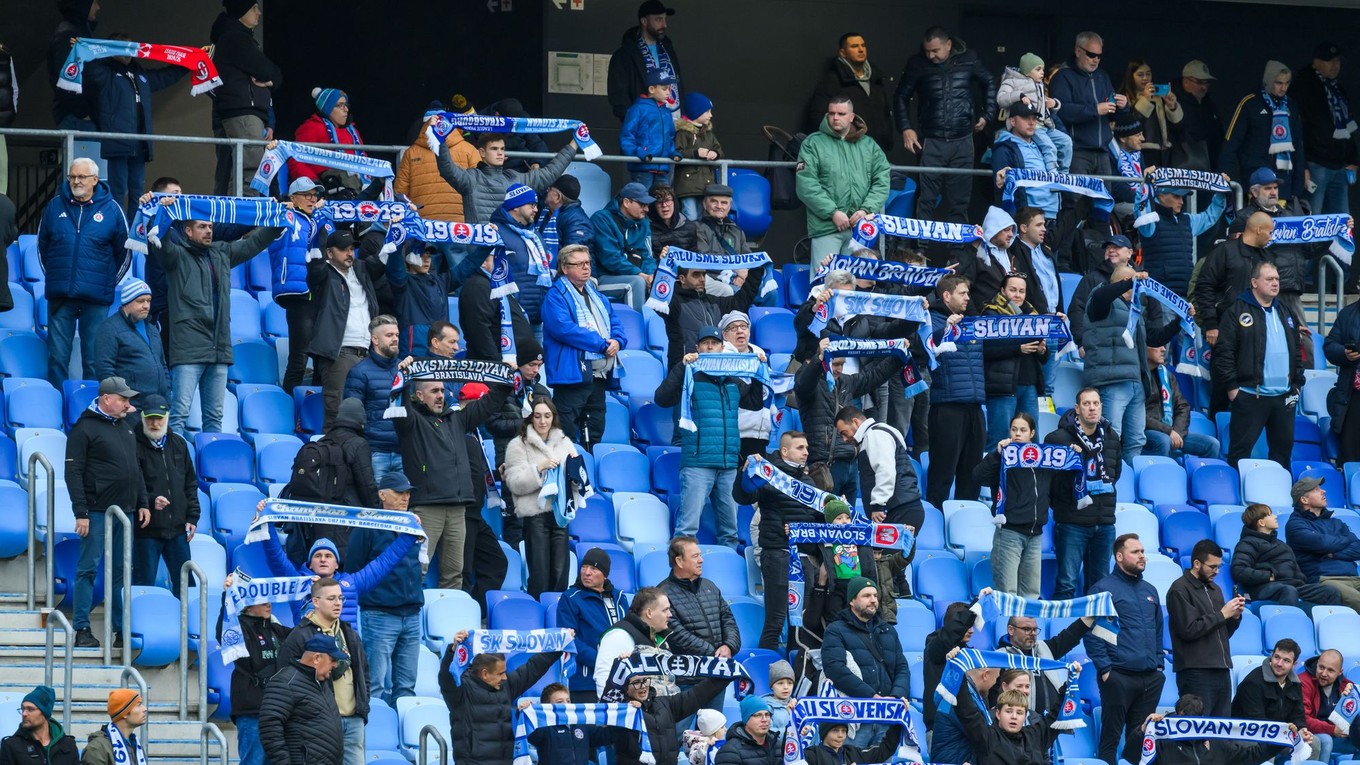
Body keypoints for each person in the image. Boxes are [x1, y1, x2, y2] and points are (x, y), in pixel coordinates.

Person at [152, 202, 284, 435]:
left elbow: (255, 243)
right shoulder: (175, 256)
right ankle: (172, 468)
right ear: (188, 231)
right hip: (188, 349)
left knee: (215, 417)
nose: (209, 231)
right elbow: (158, 240)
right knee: (179, 414)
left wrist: (279, 219)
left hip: (219, 347)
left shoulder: (221, 252)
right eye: (202, 227)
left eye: (210, 226)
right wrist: (158, 211)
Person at [394, 376, 510, 590]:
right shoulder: (411, 422)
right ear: (419, 396)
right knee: (417, 569)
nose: (440, 395)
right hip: (427, 508)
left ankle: (451, 621)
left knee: (455, 575)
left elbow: (489, 403)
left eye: (442, 390)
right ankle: (411, 618)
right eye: (434, 391)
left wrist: (505, 379)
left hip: (458, 509)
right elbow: (397, 403)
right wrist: (402, 376)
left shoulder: (456, 420)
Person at [68, 377, 146, 648]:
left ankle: (120, 631)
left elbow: (136, 469)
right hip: (96, 511)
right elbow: (73, 472)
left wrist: (143, 502)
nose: (128, 404)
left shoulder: (125, 427)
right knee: (88, 569)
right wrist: (81, 511)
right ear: (106, 399)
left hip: (125, 512)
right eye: (123, 399)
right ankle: (82, 629)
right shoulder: (84, 428)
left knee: (121, 574)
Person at [38, 158, 130, 386]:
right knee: (57, 358)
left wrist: (108, 283)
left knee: (93, 359)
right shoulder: (54, 206)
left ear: (95, 180)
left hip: (96, 297)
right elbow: (42, 248)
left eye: (81, 177)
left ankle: (91, 412)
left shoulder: (112, 209)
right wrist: (55, 278)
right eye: (72, 176)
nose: (75, 181)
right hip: (61, 295)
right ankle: (58, 408)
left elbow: (124, 253)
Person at [893, 27, 995, 225]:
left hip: (963, 138)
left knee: (960, 201)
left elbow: (989, 82)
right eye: (927, 51)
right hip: (931, 139)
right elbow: (901, 96)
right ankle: (920, 251)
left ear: (948, 45)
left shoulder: (969, 58)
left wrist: (987, 115)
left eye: (935, 50)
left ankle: (956, 254)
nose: (931, 56)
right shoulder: (917, 63)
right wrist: (906, 128)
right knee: (926, 199)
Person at [1085, 268, 1186, 464]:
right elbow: (1101, 298)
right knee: (1110, 437)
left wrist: (1179, 322)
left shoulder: (1135, 308)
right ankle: (1107, 484)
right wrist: (1128, 282)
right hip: (1111, 381)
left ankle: (1130, 486)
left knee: (1136, 440)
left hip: (1135, 382)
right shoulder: (1099, 298)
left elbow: (1155, 338)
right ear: (1125, 281)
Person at [655, 328, 743, 547]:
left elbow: (755, 402)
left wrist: (759, 369)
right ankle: (676, 579)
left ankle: (727, 579)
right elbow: (662, 398)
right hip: (698, 463)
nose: (710, 347)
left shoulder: (733, 378)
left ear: (723, 348)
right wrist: (681, 367)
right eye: (705, 343)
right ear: (697, 348)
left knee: (730, 533)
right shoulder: (689, 374)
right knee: (686, 530)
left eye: (715, 343)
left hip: (728, 464)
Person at [1212, 261, 1305, 466]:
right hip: (1250, 394)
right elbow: (1223, 352)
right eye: (1269, 279)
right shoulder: (1236, 310)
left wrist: (1296, 384)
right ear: (1254, 282)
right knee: (1240, 453)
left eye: (1277, 279)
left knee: (1282, 455)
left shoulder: (1286, 311)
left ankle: (1279, 496)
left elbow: (1297, 350)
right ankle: (1236, 496)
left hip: (1284, 397)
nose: (1275, 283)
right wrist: (1232, 387)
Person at [733, 431, 820, 648]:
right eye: (800, 448)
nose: (806, 452)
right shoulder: (767, 476)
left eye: (807, 448)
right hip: (778, 555)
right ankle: (768, 673)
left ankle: (793, 673)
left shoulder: (809, 481)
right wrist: (744, 473)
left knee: (800, 624)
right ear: (784, 451)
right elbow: (743, 496)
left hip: (805, 559)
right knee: (776, 620)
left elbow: (818, 519)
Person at [81, 33, 186, 213]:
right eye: (121, 47)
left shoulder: (140, 75)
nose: (127, 51)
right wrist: (82, 48)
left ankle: (135, 233)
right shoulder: (106, 72)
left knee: (138, 192)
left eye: (130, 47)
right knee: (118, 191)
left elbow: (166, 76)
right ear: (111, 49)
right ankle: (118, 232)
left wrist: (189, 63)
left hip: (140, 143)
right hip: (118, 142)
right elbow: (88, 66)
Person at [834, 406, 921, 617]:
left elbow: (885, 470)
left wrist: (877, 504)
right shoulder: (883, 431)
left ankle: (885, 616)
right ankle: (900, 595)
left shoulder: (875, 435)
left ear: (855, 422)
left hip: (898, 508)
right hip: (904, 506)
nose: (844, 439)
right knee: (887, 566)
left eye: (844, 432)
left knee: (881, 567)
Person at [1085, 534, 1165, 765]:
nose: (1142, 556)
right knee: (1110, 738)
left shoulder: (1150, 589)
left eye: (1142, 551)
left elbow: (1158, 629)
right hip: (1118, 676)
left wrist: (1158, 662)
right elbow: (1091, 632)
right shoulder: (1102, 590)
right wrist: (1105, 668)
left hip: (1149, 677)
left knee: (1139, 738)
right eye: (1135, 552)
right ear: (1119, 557)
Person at [345, 473, 422, 705]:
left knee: (407, 687)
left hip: (412, 614)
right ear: (382, 495)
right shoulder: (367, 525)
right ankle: (374, 737)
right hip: (379, 614)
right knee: (374, 685)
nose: (405, 497)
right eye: (399, 492)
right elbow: (354, 568)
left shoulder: (413, 524)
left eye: (407, 493)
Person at [439, 629, 568, 765]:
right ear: (485, 674)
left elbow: (534, 667)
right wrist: (452, 651)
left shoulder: (506, 685)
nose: (505, 677)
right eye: (501, 673)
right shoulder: (461, 691)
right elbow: (446, 678)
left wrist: (561, 643)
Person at [276, 577, 368, 765]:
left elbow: (364, 673)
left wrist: (362, 708)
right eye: (332, 598)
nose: (338, 603)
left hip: (353, 720)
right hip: (317, 723)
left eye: (341, 598)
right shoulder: (300, 636)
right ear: (316, 602)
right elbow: (285, 681)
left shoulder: (349, 633)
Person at [542, 244, 625, 449]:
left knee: (596, 426)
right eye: (578, 264)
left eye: (587, 263)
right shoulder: (555, 296)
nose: (585, 268)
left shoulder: (598, 296)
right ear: (564, 267)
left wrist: (617, 341)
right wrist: (600, 344)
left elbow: (616, 323)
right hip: (572, 374)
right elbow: (563, 329)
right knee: (565, 432)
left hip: (598, 374)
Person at [1050, 31, 1127, 249]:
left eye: (1099, 56)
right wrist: (1094, 109)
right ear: (1078, 51)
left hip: (1102, 152)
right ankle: (1064, 261)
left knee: (1103, 206)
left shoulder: (1103, 76)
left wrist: (1123, 105)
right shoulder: (1063, 77)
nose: (1095, 59)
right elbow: (1061, 111)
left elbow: (1112, 113)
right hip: (1078, 152)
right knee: (1073, 207)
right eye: (1091, 54)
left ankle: (1100, 261)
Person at [1047, 389, 1121, 599]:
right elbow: (1051, 482)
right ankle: (1062, 630)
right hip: (1072, 522)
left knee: (1099, 588)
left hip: (1104, 523)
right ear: (1077, 409)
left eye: (1096, 404)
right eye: (1087, 404)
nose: (1092, 408)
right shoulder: (1058, 438)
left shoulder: (1111, 436)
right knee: (1066, 584)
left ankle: (1094, 631)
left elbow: (1115, 474)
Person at [796, 96, 891, 260]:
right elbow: (806, 184)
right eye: (831, 113)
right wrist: (833, 212)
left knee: (855, 282)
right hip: (826, 226)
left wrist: (865, 210)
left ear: (852, 117)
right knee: (824, 281)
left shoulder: (869, 145)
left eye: (841, 113)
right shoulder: (812, 143)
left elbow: (882, 181)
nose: (835, 118)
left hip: (860, 229)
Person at [975, 413, 1058, 597]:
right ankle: (1007, 627)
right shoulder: (1002, 457)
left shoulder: (1043, 459)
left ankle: (1029, 627)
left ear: (1032, 433)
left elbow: (1058, 486)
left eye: (1023, 430)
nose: (1017, 434)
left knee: (1031, 595)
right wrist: (995, 455)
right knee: (1007, 594)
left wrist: (1074, 454)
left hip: (1035, 535)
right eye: (1014, 430)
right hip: (1009, 534)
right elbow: (978, 477)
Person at [821, 577, 910, 748]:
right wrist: (872, 697)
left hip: (886, 716)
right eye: (866, 595)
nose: (873, 600)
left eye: (875, 595)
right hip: (855, 716)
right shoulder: (836, 630)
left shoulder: (888, 630)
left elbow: (902, 668)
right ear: (852, 601)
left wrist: (895, 696)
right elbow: (835, 669)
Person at [503, 397, 577, 597]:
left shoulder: (564, 441)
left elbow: (578, 478)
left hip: (560, 515)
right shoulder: (518, 444)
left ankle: (556, 618)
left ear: (553, 418)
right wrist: (539, 468)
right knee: (540, 575)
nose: (542, 421)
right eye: (538, 416)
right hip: (535, 515)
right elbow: (514, 482)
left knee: (561, 575)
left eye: (547, 416)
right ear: (530, 418)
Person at [306, 231, 382, 427]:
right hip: (338, 354)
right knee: (337, 414)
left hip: (366, 353)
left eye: (351, 249)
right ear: (329, 253)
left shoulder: (361, 269)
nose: (350, 253)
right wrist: (318, 232)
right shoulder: (323, 273)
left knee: (365, 414)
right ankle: (331, 456)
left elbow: (383, 259)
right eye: (343, 249)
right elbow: (314, 267)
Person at [215, 572, 291, 765]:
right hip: (252, 711)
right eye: (261, 598)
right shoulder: (239, 627)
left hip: (279, 711)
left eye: (269, 599)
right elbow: (224, 632)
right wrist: (228, 596)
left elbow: (306, 634)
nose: (268, 603)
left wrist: (312, 591)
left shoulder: (276, 629)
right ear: (247, 603)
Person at [436, 126, 577, 226]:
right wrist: (439, 136)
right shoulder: (472, 178)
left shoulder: (515, 178)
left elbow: (550, 173)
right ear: (482, 152)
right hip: (480, 254)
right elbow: (447, 168)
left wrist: (575, 143)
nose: (500, 153)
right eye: (494, 149)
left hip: (508, 251)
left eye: (502, 149)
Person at [926, 276, 986, 507]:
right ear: (947, 296)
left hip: (975, 407)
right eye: (963, 293)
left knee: (973, 474)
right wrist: (946, 329)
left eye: (968, 293)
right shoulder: (931, 320)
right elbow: (927, 346)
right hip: (947, 407)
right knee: (942, 471)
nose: (968, 297)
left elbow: (999, 340)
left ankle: (966, 523)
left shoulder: (973, 324)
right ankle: (935, 523)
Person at [658, 537, 741, 703]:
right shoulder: (662, 594)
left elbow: (728, 620)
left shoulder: (710, 586)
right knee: (681, 729)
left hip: (715, 675)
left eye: (700, 555)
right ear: (679, 561)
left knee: (714, 729)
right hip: (686, 680)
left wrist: (728, 646)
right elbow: (675, 634)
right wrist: (713, 654)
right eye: (695, 556)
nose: (701, 560)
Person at [209, 0, 279, 195]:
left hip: (240, 114)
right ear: (242, 11)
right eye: (254, 8)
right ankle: (242, 223)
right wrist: (273, 78)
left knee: (234, 171)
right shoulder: (235, 38)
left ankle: (231, 221)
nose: (259, 13)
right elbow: (268, 70)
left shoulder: (231, 37)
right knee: (251, 170)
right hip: (243, 115)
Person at [1166, 539, 1243, 717]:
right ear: (1196, 563)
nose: (1216, 571)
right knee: (1197, 729)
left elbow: (1222, 633)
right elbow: (1188, 630)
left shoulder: (1215, 589)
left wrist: (1235, 617)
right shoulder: (1179, 589)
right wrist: (1222, 615)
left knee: (1220, 729)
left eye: (1219, 567)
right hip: (1196, 671)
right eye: (1212, 566)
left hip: (1222, 669)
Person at [130, 394, 197, 587]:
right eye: (150, 418)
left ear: (167, 417)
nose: (154, 423)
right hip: (146, 530)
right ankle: (141, 618)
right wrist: (150, 500)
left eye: (158, 418)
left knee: (186, 585)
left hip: (177, 529)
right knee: (143, 584)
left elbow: (190, 483)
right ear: (142, 417)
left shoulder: (179, 443)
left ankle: (188, 618)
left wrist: (192, 517)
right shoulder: (132, 444)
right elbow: (131, 484)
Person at [1192, 207, 1285, 344]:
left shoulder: (1268, 258)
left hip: (1261, 329)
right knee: (1225, 364)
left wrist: (1288, 322)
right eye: (1269, 232)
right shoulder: (1224, 251)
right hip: (1226, 326)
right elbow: (1204, 286)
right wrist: (1211, 324)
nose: (1271, 237)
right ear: (1259, 230)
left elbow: (1275, 295)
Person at [613, 661, 733, 765]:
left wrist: (729, 672)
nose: (643, 686)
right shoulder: (618, 713)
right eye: (636, 682)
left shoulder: (665, 704)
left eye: (645, 680)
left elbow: (698, 694)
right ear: (624, 687)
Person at [981, 272, 1048, 451]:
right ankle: (992, 479)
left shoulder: (1034, 316)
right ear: (1002, 290)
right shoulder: (990, 314)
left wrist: (1042, 351)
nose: (1018, 295)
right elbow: (985, 350)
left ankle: (1027, 478)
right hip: (1001, 386)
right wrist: (1017, 349)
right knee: (1000, 439)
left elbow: (1044, 357)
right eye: (1013, 290)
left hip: (1030, 385)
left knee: (1031, 441)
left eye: (1022, 291)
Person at [659, 257, 765, 370]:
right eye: (696, 275)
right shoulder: (674, 304)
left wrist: (757, 267)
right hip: (684, 370)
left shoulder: (713, 302)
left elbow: (742, 300)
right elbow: (658, 295)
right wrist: (663, 265)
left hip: (715, 371)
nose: (702, 279)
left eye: (703, 275)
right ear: (682, 279)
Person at [1222, 62, 1306, 202]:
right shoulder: (1250, 104)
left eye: (1287, 83)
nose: (1283, 88)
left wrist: (1298, 184)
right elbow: (1231, 142)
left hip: (1284, 181)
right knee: (1259, 223)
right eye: (1279, 83)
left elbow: (1297, 144)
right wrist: (1225, 176)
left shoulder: (1291, 106)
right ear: (1268, 81)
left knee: (1282, 222)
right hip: (1256, 179)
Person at [951, 666, 1070, 765]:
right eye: (1008, 711)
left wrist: (1071, 681)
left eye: (1019, 713)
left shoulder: (1035, 735)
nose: (1014, 716)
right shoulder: (987, 737)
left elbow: (1056, 715)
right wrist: (957, 668)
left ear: (1025, 716)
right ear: (998, 713)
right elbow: (967, 712)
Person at [1232, 503, 1343, 608]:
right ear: (1261, 522)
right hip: (1263, 588)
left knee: (1330, 592)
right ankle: (1289, 627)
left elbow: (1297, 571)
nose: (1275, 516)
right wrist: (1269, 576)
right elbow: (1239, 570)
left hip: (1293, 586)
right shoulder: (1247, 543)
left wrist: (1302, 582)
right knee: (1289, 591)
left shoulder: (1282, 544)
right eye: (1270, 514)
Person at [1289, 43, 1357, 215]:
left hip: (1340, 165)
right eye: (1329, 61)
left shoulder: (1337, 89)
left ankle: (1338, 244)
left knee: (1341, 219)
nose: (1334, 65)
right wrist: (1302, 165)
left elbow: (1348, 127)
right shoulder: (1303, 87)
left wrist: (1352, 159)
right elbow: (1296, 130)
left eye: (1337, 61)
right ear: (1315, 62)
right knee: (1312, 218)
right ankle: (1310, 244)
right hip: (1315, 165)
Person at [258, 633, 346, 765]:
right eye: (332, 660)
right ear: (316, 658)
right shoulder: (286, 681)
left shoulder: (321, 683)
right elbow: (269, 727)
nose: (335, 665)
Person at [556, 548, 629, 702]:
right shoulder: (571, 598)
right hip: (585, 682)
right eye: (584, 567)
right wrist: (602, 661)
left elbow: (629, 633)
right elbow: (568, 639)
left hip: (621, 680)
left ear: (605, 574)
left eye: (594, 568)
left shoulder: (619, 598)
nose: (586, 572)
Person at [343, 316, 407, 484]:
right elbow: (353, 417)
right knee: (376, 506)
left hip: (405, 451)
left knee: (403, 506)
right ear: (375, 339)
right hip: (376, 452)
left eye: (397, 335)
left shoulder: (405, 370)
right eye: (389, 335)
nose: (395, 339)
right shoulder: (359, 372)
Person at [1142, 694, 1292, 765]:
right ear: (1175, 715)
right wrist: (1143, 731)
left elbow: (1253, 755)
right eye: (1181, 721)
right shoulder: (1160, 741)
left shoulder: (1217, 743)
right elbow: (1131, 756)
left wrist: (1283, 738)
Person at [1136, 186, 1228, 298]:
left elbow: (1210, 216)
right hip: (1159, 296)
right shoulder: (1151, 220)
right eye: (1176, 196)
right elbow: (1140, 209)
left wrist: (1220, 190)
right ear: (1160, 196)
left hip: (1185, 294)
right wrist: (1144, 187)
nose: (1181, 201)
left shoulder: (1187, 220)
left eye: (1182, 197)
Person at [997, 613, 1094, 714]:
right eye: (1026, 629)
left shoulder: (1044, 647)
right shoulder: (999, 657)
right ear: (1011, 630)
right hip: (1026, 724)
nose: (1033, 633)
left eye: (1035, 629)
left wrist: (1093, 615)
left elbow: (1071, 635)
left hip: (1055, 718)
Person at [91, 278, 169, 403]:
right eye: (140, 301)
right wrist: (122, 402)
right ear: (127, 302)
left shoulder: (152, 329)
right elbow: (104, 370)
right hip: (130, 408)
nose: (146, 306)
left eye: (149, 301)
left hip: (156, 407)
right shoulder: (110, 328)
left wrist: (166, 396)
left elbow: (163, 366)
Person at [1288, 476, 1360, 609]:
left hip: (1355, 577)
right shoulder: (1295, 525)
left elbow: (1358, 548)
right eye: (1316, 489)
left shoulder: (1335, 522)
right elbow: (1324, 544)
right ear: (1304, 500)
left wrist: (1334, 554)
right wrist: (1347, 540)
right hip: (1326, 580)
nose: (1323, 491)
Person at [607, 0, 682, 122]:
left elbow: (679, 86)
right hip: (643, 129)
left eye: (665, 19)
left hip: (673, 124)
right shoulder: (624, 55)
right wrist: (634, 122)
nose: (664, 24)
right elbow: (618, 96)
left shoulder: (668, 49)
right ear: (644, 21)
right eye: (658, 20)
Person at [593, 587, 675, 698]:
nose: (670, 614)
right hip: (637, 713)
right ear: (649, 613)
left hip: (664, 711)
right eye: (665, 610)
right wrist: (618, 712)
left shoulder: (660, 637)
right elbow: (604, 678)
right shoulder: (619, 635)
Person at [996, 52, 1072, 172]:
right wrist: (1019, 96)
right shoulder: (1012, 81)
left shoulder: (1039, 84)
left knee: (1066, 142)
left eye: (1043, 69)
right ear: (1026, 71)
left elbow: (1044, 109)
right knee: (1049, 147)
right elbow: (1001, 98)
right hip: (1032, 126)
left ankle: (1063, 175)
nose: (1042, 72)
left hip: (1045, 124)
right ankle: (1052, 177)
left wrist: (1054, 104)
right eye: (1038, 69)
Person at [590, 182, 656, 314]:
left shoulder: (644, 223)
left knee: (660, 284)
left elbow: (648, 256)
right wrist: (640, 274)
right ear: (626, 202)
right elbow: (611, 259)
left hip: (636, 274)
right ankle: (636, 330)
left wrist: (650, 276)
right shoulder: (602, 219)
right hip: (606, 277)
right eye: (642, 204)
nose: (647, 209)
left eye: (647, 205)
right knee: (636, 283)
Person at [1144, 345, 1220, 458]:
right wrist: (1168, 431)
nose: (1164, 349)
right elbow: (1138, 415)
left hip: (1171, 430)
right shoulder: (1137, 377)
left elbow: (1183, 407)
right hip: (1147, 432)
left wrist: (1177, 432)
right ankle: (1164, 475)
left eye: (1164, 345)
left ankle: (1203, 475)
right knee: (1164, 441)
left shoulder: (1167, 376)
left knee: (1212, 444)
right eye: (1158, 346)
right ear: (1144, 348)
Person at [1231, 639, 1310, 748]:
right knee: (1267, 747)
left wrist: (1301, 729)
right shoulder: (1253, 682)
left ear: (1294, 664)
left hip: (1279, 735)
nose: (1279, 664)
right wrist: (1284, 733)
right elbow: (1257, 723)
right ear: (1271, 656)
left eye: (1286, 660)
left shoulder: (1295, 684)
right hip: (1248, 735)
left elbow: (1298, 715)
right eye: (1277, 657)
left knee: (1312, 743)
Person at [923, 598, 986, 732]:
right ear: (954, 625)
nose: (972, 630)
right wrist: (976, 604)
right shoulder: (935, 645)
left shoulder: (969, 653)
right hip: (941, 728)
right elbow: (947, 637)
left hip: (967, 727)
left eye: (973, 625)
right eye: (968, 625)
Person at [929, 651, 1001, 765]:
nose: (996, 683)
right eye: (997, 678)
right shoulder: (961, 700)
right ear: (986, 675)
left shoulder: (961, 694)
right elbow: (983, 737)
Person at [992, 107, 1060, 221]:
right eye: (1025, 118)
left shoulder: (1041, 147)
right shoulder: (1004, 149)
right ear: (1012, 121)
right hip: (1028, 219)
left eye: (1034, 118)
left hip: (1052, 215)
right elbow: (1003, 189)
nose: (1031, 122)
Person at [291, 88, 368, 190]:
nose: (346, 109)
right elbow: (296, 160)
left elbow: (366, 160)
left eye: (346, 105)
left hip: (359, 180)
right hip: (332, 183)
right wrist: (313, 183)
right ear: (327, 108)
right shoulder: (312, 128)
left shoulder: (353, 131)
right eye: (340, 105)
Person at [519, 684, 613, 765]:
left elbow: (608, 735)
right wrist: (525, 712)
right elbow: (528, 730)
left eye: (568, 701)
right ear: (547, 706)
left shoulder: (581, 726)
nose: (566, 705)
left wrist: (626, 714)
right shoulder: (544, 729)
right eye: (560, 702)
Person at [1117, 59, 1183, 169]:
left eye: (1148, 74)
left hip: (1164, 152)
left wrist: (1172, 106)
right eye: (1140, 75)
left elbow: (1179, 127)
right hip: (1141, 150)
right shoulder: (1125, 97)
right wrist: (1145, 99)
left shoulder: (1158, 97)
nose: (1145, 78)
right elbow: (1133, 124)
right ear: (1131, 76)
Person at [621, 71, 680, 189]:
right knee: (640, 203)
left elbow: (671, 138)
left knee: (663, 203)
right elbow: (627, 137)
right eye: (664, 89)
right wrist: (639, 153)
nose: (669, 92)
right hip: (643, 167)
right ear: (652, 89)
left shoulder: (666, 112)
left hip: (663, 168)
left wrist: (673, 152)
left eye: (669, 88)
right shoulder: (637, 109)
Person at [47, 0, 97, 130]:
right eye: (94, 2)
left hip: (81, 118)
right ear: (83, 5)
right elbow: (66, 79)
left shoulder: (78, 32)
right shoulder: (68, 35)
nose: (98, 7)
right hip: (77, 120)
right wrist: (83, 113)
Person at [0, 686, 78, 765]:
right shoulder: (11, 746)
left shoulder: (68, 745)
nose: (24, 714)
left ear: (44, 713)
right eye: (23, 709)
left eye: (30, 709)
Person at [1325, 299, 1360, 464]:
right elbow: (1330, 345)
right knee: (1350, 457)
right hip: (1353, 396)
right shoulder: (1348, 313)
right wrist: (1344, 353)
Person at [1173, 61, 1225, 172]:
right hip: (1183, 171)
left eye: (1206, 83)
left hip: (1210, 170)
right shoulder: (1173, 104)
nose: (1204, 87)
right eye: (1200, 82)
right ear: (1186, 82)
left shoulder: (1210, 105)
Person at [80, 690, 146, 765]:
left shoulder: (135, 743)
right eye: (139, 705)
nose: (144, 709)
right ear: (124, 713)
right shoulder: (97, 748)